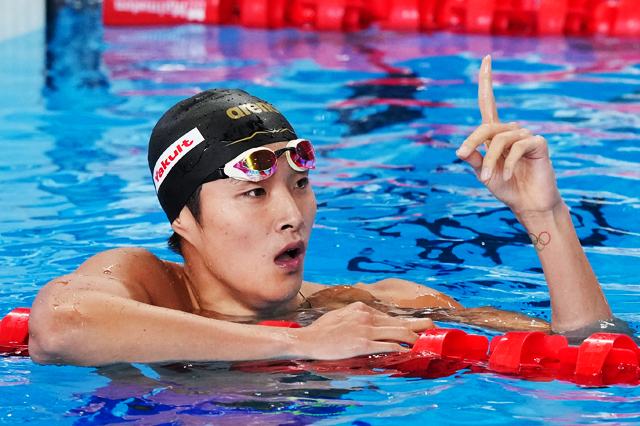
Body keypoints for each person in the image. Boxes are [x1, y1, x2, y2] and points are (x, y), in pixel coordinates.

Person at [27, 56, 623, 366]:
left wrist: (545, 217)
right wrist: (295, 347)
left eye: (301, 184)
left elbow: (590, 350)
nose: (293, 214)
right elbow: (59, 326)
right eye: (255, 192)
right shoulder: (147, 284)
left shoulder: (375, 307)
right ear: (183, 218)